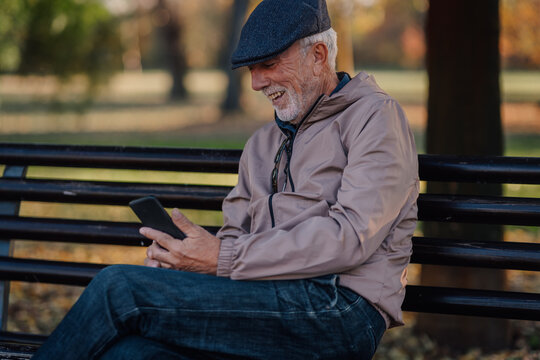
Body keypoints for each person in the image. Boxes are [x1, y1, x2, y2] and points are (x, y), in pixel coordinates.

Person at [33, 0, 418, 359]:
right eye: (251, 69)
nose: (255, 83)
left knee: (119, 288)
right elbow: (235, 237)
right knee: (131, 352)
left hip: (340, 309)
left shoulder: (374, 118)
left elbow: (350, 237)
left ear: (317, 56)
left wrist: (222, 258)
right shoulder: (263, 143)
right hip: (263, 299)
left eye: (268, 64)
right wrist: (187, 264)